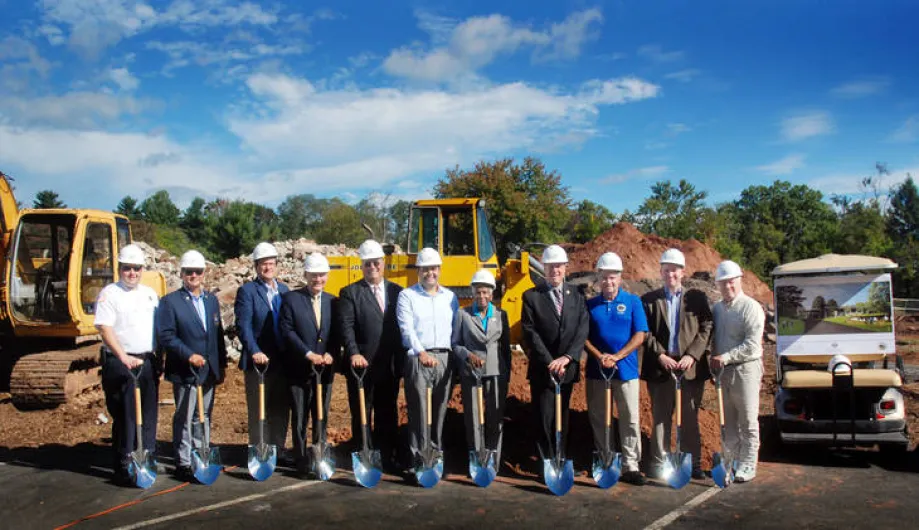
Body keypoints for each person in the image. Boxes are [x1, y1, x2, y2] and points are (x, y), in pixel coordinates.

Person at [641, 248, 712, 481]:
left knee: (689, 418)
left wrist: (692, 355)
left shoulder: (697, 298)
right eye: (666, 270)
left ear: (682, 272)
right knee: (661, 418)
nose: (671, 274)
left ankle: (693, 464)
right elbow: (644, 332)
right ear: (661, 271)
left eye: (675, 270)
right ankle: (659, 464)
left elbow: (706, 327)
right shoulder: (649, 301)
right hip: (661, 368)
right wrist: (660, 355)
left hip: (689, 369)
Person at [158, 250, 228, 483]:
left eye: (198, 272)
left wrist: (222, 365)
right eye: (189, 272)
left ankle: (202, 454)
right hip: (185, 370)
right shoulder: (170, 302)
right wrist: (189, 356)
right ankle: (184, 461)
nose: (194, 275)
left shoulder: (211, 300)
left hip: (208, 371)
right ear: (182, 273)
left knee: (204, 415)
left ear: (204, 274)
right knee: (185, 417)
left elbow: (217, 336)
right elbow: (166, 336)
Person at [95, 244, 160, 486]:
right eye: (127, 268)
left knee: (149, 413)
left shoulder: (150, 294)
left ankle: (146, 456)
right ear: (120, 268)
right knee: (127, 417)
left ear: (143, 269)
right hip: (121, 362)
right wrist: (123, 357)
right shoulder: (109, 294)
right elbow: (104, 327)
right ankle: (124, 462)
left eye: (136, 268)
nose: (132, 272)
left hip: (146, 360)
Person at [521, 244, 589, 474]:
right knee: (544, 416)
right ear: (544, 268)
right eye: (550, 266)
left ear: (565, 267)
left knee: (564, 415)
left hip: (567, 368)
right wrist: (551, 360)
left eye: (558, 266)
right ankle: (546, 464)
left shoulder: (577, 294)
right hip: (544, 368)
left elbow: (582, 328)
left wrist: (568, 358)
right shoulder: (531, 296)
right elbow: (530, 332)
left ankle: (562, 459)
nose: (555, 270)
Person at [338, 240, 404, 472]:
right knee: (362, 414)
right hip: (361, 368)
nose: (372, 267)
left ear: (383, 263)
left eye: (376, 263)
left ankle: (387, 457)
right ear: (362, 266)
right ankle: (363, 455)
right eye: (367, 264)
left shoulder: (397, 292)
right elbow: (346, 327)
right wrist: (354, 353)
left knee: (388, 412)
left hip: (389, 366)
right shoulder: (350, 293)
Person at [584, 252, 649, 486]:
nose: (608, 282)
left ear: (620, 277)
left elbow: (640, 335)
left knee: (630, 418)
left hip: (627, 371)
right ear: (598, 278)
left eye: (612, 277)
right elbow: (583, 337)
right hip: (597, 371)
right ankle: (606, 460)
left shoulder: (633, 302)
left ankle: (631, 465)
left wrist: (618, 356)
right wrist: (600, 356)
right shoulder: (590, 305)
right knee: (600, 418)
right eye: (604, 277)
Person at [396, 247, 458, 479]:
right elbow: (406, 328)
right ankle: (417, 461)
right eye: (425, 269)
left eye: (433, 268)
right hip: (418, 358)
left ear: (439, 270)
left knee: (440, 411)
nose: (429, 273)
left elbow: (454, 331)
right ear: (418, 270)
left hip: (444, 358)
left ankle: (435, 458)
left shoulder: (450, 297)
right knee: (419, 412)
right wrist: (421, 353)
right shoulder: (407, 296)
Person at [279, 252, 339, 475]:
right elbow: (287, 331)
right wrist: (307, 353)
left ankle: (319, 454)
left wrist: (332, 353)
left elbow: (336, 334)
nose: (318, 279)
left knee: (321, 414)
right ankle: (301, 457)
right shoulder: (292, 299)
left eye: (322, 275)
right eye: (313, 275)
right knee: (300, 415)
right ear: (305, 274)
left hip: (325, 370)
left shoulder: (333, 301)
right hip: (299, 367)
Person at [234, 242, 291, 461]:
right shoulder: (247, 291)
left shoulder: (284, 291)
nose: (267, 267)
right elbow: (244, 326)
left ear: (277, 265)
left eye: (271, 263)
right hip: (258, 362)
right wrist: (254, 351)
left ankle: (278, 448)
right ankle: (259, 451)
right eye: (263, 264)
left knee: (280, 408)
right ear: (256, 266)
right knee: (259, 410)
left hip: (281, 360)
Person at [710, 260, 765, 483]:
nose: (728, 287)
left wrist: (726, 357)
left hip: (746, 370)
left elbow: (753, 345)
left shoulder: (751, 307)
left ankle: (748, 463)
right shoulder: (717, 309)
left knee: (748, 420)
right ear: (718, 285)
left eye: (731, 282)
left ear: (739, 280)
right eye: (723, 283)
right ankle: (731, 462)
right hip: (723, 372)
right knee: (728, 421)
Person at [452, 269, 512, 472]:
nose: (482, 296)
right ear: (473, 293)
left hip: (496, 373)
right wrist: (468, 356)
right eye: (478, 292)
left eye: (486, 292)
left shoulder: (501, 315)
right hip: (472, 373)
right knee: (474, 416)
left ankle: (493, 459)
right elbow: (456, 344)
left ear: (492, 293)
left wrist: (507, 373)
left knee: (495, 417)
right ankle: (477, 459)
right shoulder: (463, 314)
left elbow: (505, 347)